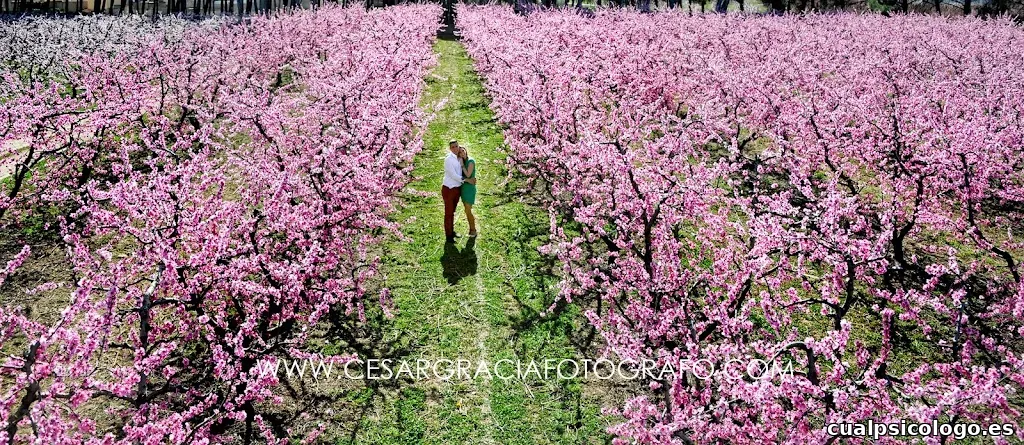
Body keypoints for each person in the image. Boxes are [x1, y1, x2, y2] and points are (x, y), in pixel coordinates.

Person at [442, 140, 464, 242]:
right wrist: (465, 180)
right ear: (450, 148)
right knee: (448, 212)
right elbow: (453, 175)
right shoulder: (448, 159)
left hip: (457, 189)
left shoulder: (459, 158)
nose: (455, 148)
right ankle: (449, 236)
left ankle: (451, 231)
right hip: (449, 188)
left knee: (452, 211)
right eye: (453, 147)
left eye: (456, 146)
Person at [458, 147, 477, 237]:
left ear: (466, 150)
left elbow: (468, 175)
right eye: (460, 153)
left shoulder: (470, 161)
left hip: (469, 189)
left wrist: (462, 165)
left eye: (463, 151)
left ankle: (473, 230)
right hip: (463, 188)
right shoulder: (462, 162)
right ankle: (471, 229)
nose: (462, 153)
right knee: (466, 209)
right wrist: (466, 180)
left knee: (468, 210)